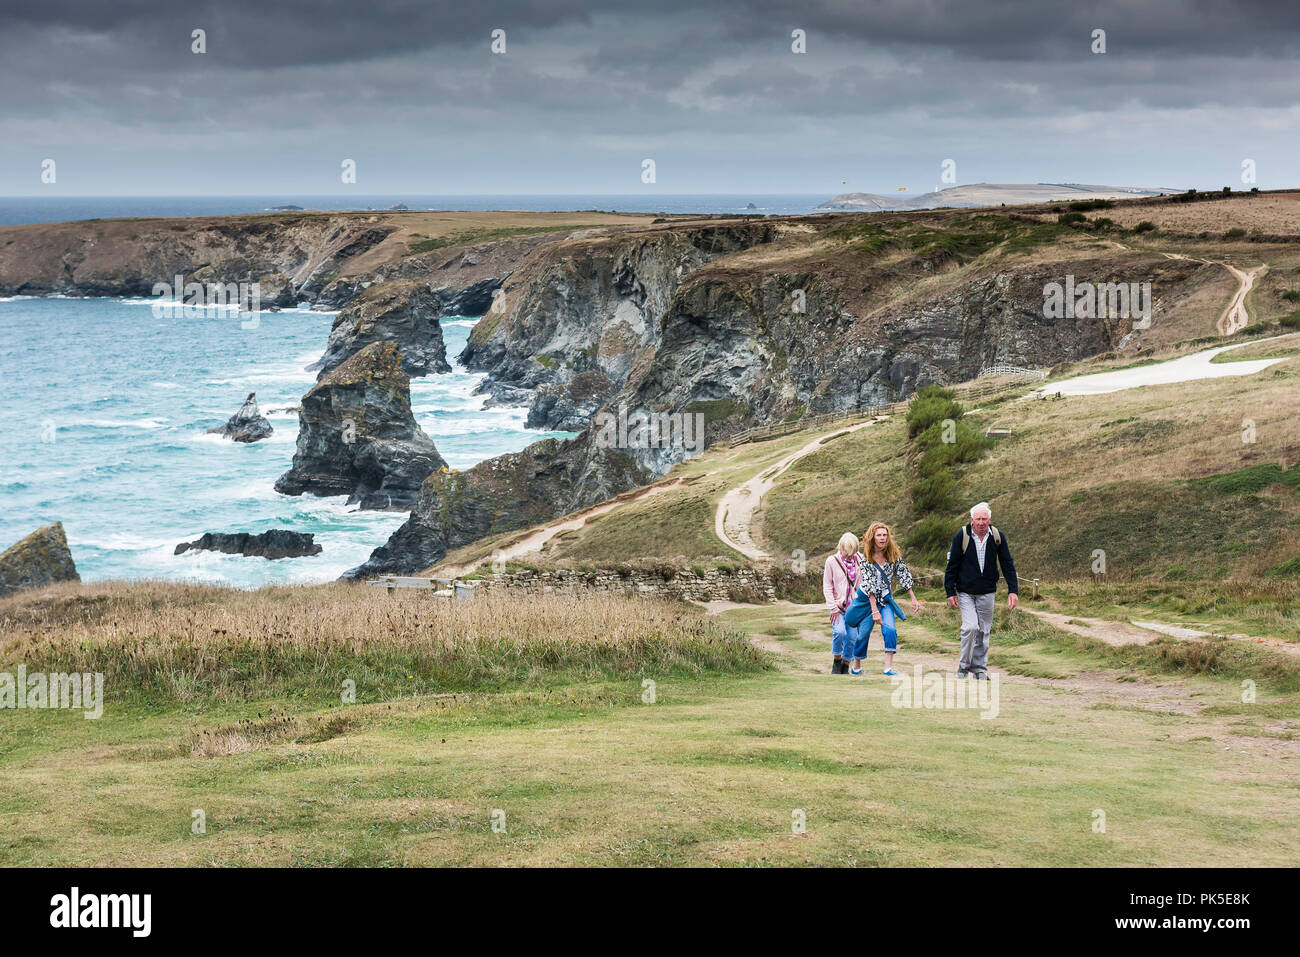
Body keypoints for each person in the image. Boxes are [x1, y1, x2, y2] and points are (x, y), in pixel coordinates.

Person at [943, 502, 1019, 679]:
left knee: (984, 630)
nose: (981, 522)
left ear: (989, 520)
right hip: (965, 591)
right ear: (971, 520)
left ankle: (979, 669)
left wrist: (1012, 590)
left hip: (987, 592)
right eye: (978, 519)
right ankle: (963, 666)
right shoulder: (961, 536)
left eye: (984, 519)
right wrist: (950, 591)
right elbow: (952, 565)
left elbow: (1007, 563)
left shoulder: (998, 536)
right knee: (970, 627)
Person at [845, 522, 921, 676]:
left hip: (885, 599)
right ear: (872, 537)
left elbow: (903, 575)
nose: (882, 538)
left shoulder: (893, 555)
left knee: (890, 629)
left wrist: (913, 598)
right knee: (863, 634)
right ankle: (856, 666)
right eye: (879, 535)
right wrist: (874, 611)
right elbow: (871, 585)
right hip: (867, 600)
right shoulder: (866, 558)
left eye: (884, 535)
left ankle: (887, 669)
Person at [822, 532, 863, 675]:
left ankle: (845, 666)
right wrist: (833, 607)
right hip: (837, 607)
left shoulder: (860, 560)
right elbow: (827, 586)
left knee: (852, 637)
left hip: (854, 608)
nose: (849, 556)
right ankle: (837, 661)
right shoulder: (831, 561)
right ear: (841, 548)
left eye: (852, 553)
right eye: (847, 553)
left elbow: (864, 583)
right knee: (839, 632)